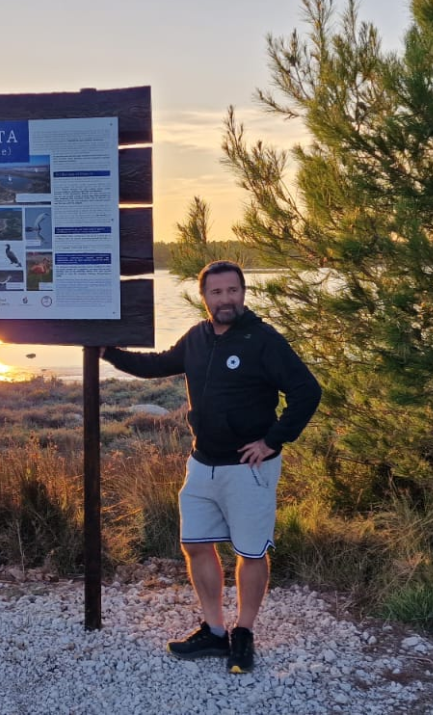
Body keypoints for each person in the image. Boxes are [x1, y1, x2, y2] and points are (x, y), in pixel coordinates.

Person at [102, 260, 321, 674]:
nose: (226, 299)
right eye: (217, 293)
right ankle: (215, 631)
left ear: (243, 292)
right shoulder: (198, 337)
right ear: (204, 298)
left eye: (233, 291)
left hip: (247, 467)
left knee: (250, 552)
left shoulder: (263, 340)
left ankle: (244, 633)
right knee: (196, 545)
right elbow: (157, 365)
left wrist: (272, 441)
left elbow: (307, 391)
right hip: (202, 463)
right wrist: (108, 353)